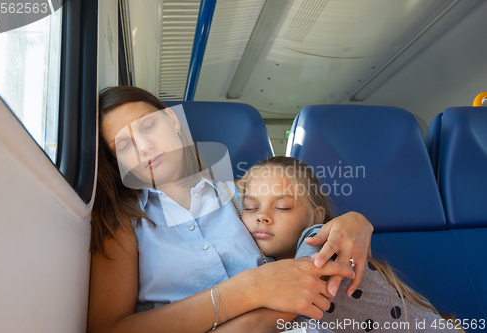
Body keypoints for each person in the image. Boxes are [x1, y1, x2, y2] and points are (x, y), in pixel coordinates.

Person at [87, 86, 374, 333]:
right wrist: (248, 289)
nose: (145, 147)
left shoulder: (245, 191)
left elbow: (313, 240)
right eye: (124, 144)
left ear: (172, 120)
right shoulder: (122, 224)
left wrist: (354, 221)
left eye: (148, 126)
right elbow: (109, 329)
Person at [239, 156, 462, 333]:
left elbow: (273, 319)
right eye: (250, 207)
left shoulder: (321, 241)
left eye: (282, 207)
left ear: (315, 217)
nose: (262, 216)